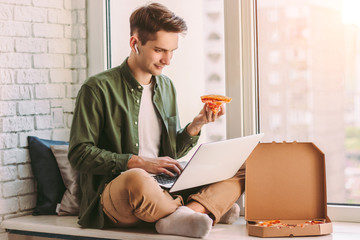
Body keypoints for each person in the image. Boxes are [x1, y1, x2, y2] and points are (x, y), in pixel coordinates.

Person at [68, 2, 244, 238]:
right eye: (160, 50)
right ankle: (206, 209)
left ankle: (189, 214)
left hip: (164, 188)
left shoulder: (167, 87)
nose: (167, 60)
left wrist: (196, 125)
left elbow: (170, 153)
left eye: (172, 51)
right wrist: (138, 162)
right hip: (119, 193)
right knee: (136, 178)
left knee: (240, 167)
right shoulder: (97, 88)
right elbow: (79, 154)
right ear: (135, 43)